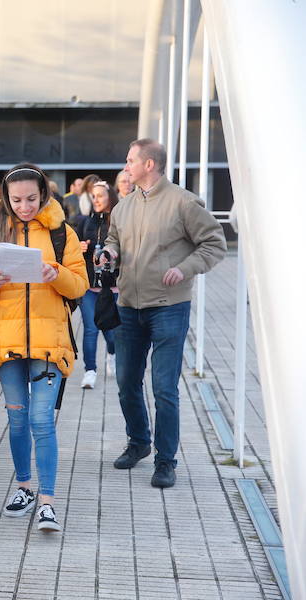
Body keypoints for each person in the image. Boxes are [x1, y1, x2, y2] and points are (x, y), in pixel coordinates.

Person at [0, 164, 88, 532]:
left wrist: (58, 274)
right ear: (5, 197)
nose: (24, 206)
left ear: (44, 195)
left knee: (41, 419)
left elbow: (80, 285)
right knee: (17, 417)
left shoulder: (60, 232)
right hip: (5, 341)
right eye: (16, 199)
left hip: (49, 341)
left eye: (31, 199)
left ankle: (48, 501)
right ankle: (24, 486)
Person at [103, 139, 226, 488]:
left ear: (149, 165)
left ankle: (166, 460)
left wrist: (185, 268)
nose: (126, 166)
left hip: (169, 308)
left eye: (131, 160)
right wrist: (109, 253)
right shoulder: (123, 206)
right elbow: (113, 239)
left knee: (164, 388)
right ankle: (139, 442)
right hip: (128, 305)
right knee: (127, 382)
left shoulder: (184, 202)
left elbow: (214, 243)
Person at [77, 181, 120, 389]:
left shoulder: (119, 220)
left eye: (100, 196)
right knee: (90, 329)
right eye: (93, 196)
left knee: (112, 332)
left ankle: (112, 353)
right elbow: (74, 247)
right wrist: (80, 247)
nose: (96, 200)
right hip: (89, 285)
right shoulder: (86, 222)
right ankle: (90, 371)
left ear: (110, 197)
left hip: (113, 287)